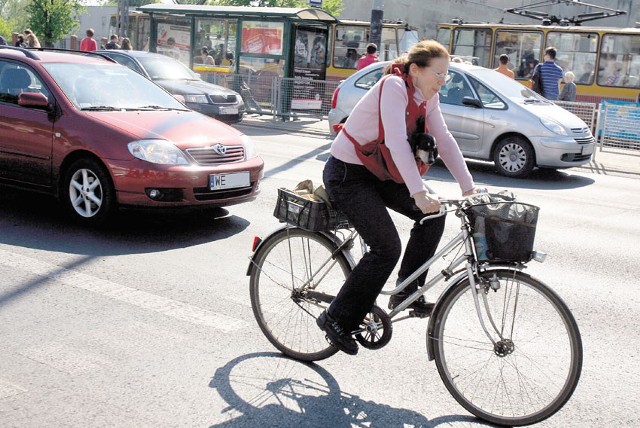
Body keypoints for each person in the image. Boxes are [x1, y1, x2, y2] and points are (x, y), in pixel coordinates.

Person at [318, 40, 479, 355]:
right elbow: (394, 141)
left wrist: (468, 187)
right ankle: (336, 316)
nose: (443, 80)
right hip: (348, 174)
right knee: (386, 247)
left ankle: (407, 290)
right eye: (439, 73)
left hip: (380, 173)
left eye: (446, 74)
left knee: (434, 214)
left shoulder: (425, 96)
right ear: (416, 70)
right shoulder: (393, 86)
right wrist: (418, 192)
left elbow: (444, 139)